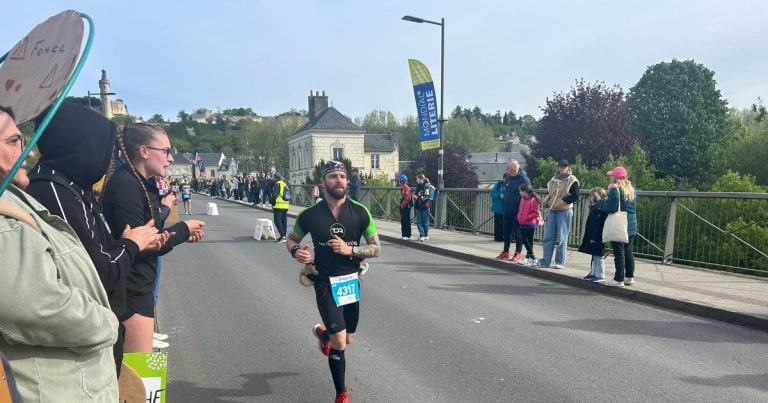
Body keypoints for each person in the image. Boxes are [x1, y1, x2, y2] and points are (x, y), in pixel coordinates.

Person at [25, 102, 169, 371]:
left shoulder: (72, 188)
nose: (108, 159)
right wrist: (132, 243)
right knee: (136, 379)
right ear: (84, 145)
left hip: (107, 318)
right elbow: (102, 270)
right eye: (106, 149)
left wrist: (128, 243)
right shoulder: (54, 191)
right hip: (95, 326)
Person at [0, 105, 119, 402]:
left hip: (76, 379)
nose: (29, 153)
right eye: (13, 141)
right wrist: (105, 321)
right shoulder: (9, 216)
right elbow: (35, 305)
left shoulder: (16, 197)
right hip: (62, 387)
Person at [101, 122, 206, 352]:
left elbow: (151, 232)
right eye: (166, 151)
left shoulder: (137, 182)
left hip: (139, 288)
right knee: (140, 370)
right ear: (144, 151)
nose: (170, 158)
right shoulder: (126, 186)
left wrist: (180, 233)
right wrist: (183, 229)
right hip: (132, 292)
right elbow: (142, 243)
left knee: (144, 368)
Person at [286, 160, 381, 403]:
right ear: (322, 182)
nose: (339, 180)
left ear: (347, 181)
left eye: (342, 176)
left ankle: (324, 336)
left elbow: (376, 248)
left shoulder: (360, 211)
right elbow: (291, 238)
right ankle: (341, 394)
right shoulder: (310, 215)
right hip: (325, 281)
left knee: (347, 339)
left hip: (350, 282)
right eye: (333, 176)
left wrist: (351, 251)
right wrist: (296, 251)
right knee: (340, 342)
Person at [597, 166, 638, 287]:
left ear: (615, 177)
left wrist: (600, 202)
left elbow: (610, 208)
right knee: (628, 251)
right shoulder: (632, 190)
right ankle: (629, 276)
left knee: (619, 252)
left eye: (612, 176)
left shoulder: (615, 189)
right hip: (631, 224)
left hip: (619, 224)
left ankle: (618, 279)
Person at [538, 159, 580, 269]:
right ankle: (545, 261)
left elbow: (576, 196)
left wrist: (563, 201)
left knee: (562, 237)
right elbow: (550, 193)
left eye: (565, 166)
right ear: (558, 167)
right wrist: (549, 202)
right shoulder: (552, 180)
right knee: (549, 237)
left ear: (568, 167)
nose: (563, 168)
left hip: (564, 210)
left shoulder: (572, 179)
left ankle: (560, 262)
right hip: (553, 210)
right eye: (561, 166)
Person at [496, 160, 530, 260]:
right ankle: (505, 251)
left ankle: (517, 253)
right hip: (507, 210)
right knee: (506, 231)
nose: (508, 170)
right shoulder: (508, 178)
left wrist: (522, 209)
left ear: (516, 168)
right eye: (508, 168)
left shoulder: (524, 179)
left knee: (518, 233)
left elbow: (528, 195)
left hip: (518, 211)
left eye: (510, 168)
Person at [578, 187, 609, 282]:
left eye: (592, 195)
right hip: (593, 234)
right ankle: (594, 273)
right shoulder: (596, 207)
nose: (591, 197)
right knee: (595, 256)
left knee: (599, 256)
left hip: (597, 236)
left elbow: (599, 225)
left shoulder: (600, 209)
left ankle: (601, 275)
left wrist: (594, 237)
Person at [517, 183, 543, 265]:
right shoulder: (522, 199)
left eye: (520, 191)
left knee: (527, 240)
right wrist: (519, 217)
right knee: (525, 240)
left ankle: (531, 257)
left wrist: (527, 217)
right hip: (522, 223)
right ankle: (530, 258)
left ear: (524, 191)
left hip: (530, 224)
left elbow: (536, 213)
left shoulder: (533, 200)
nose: (519, 192)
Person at [272, 171, 289, 242]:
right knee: (284, 221)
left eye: (274, 177)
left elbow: (274, 195)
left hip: (279, 205)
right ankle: (284, 236)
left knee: (277, 221)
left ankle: (282, 236)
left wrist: (272, 203)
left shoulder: (277, 184)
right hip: (285, 205)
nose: (273, 179)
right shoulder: (284, 184)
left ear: (276, 178)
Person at [414, 173, 432, 241]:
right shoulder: (418, 186)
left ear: (421, 179)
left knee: (425, 222)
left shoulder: (426, 186)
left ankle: (426, 235)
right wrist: (415, 196)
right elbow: (417, 194)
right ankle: (422, 235)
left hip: (425, 206)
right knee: (419, 222)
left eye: (417, 179)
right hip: (418, 206)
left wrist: (418, 197)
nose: (416, 180)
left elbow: (427, 197)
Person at [490, 173, 507, 242]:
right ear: (503, 178)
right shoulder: (498, 184)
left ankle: (503, 237)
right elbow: (492, 194)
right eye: (505, 179)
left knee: (504, 223)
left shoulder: (508, 185)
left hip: (505, 208)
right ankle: (497, 237)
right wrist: (499, 195)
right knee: (497, 223)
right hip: (497, 208)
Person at [398, 174, 412, 240]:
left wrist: (402, 206)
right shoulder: (404, 187)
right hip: (404, 206)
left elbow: (407, 198)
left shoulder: (405, 187)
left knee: (405, 220)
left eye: (399, 181)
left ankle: (407, 235)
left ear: (401, 181)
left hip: (406, 207)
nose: (399, 182)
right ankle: (404, 235)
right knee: (403, 220)